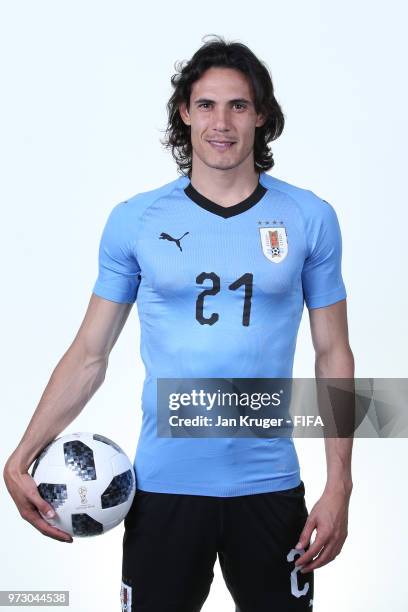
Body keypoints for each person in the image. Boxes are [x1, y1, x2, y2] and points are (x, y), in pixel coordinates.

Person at [3, 34, 354, 612]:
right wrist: (22, 454)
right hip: (163, 491)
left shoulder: (308, 218)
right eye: (207, 105)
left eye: (239, 105)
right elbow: (90, 353)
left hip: (269, 489)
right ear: (185, 114)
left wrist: (339, 482)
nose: (222, 122)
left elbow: (334, 354)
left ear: (261, 116)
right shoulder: (135, 221)